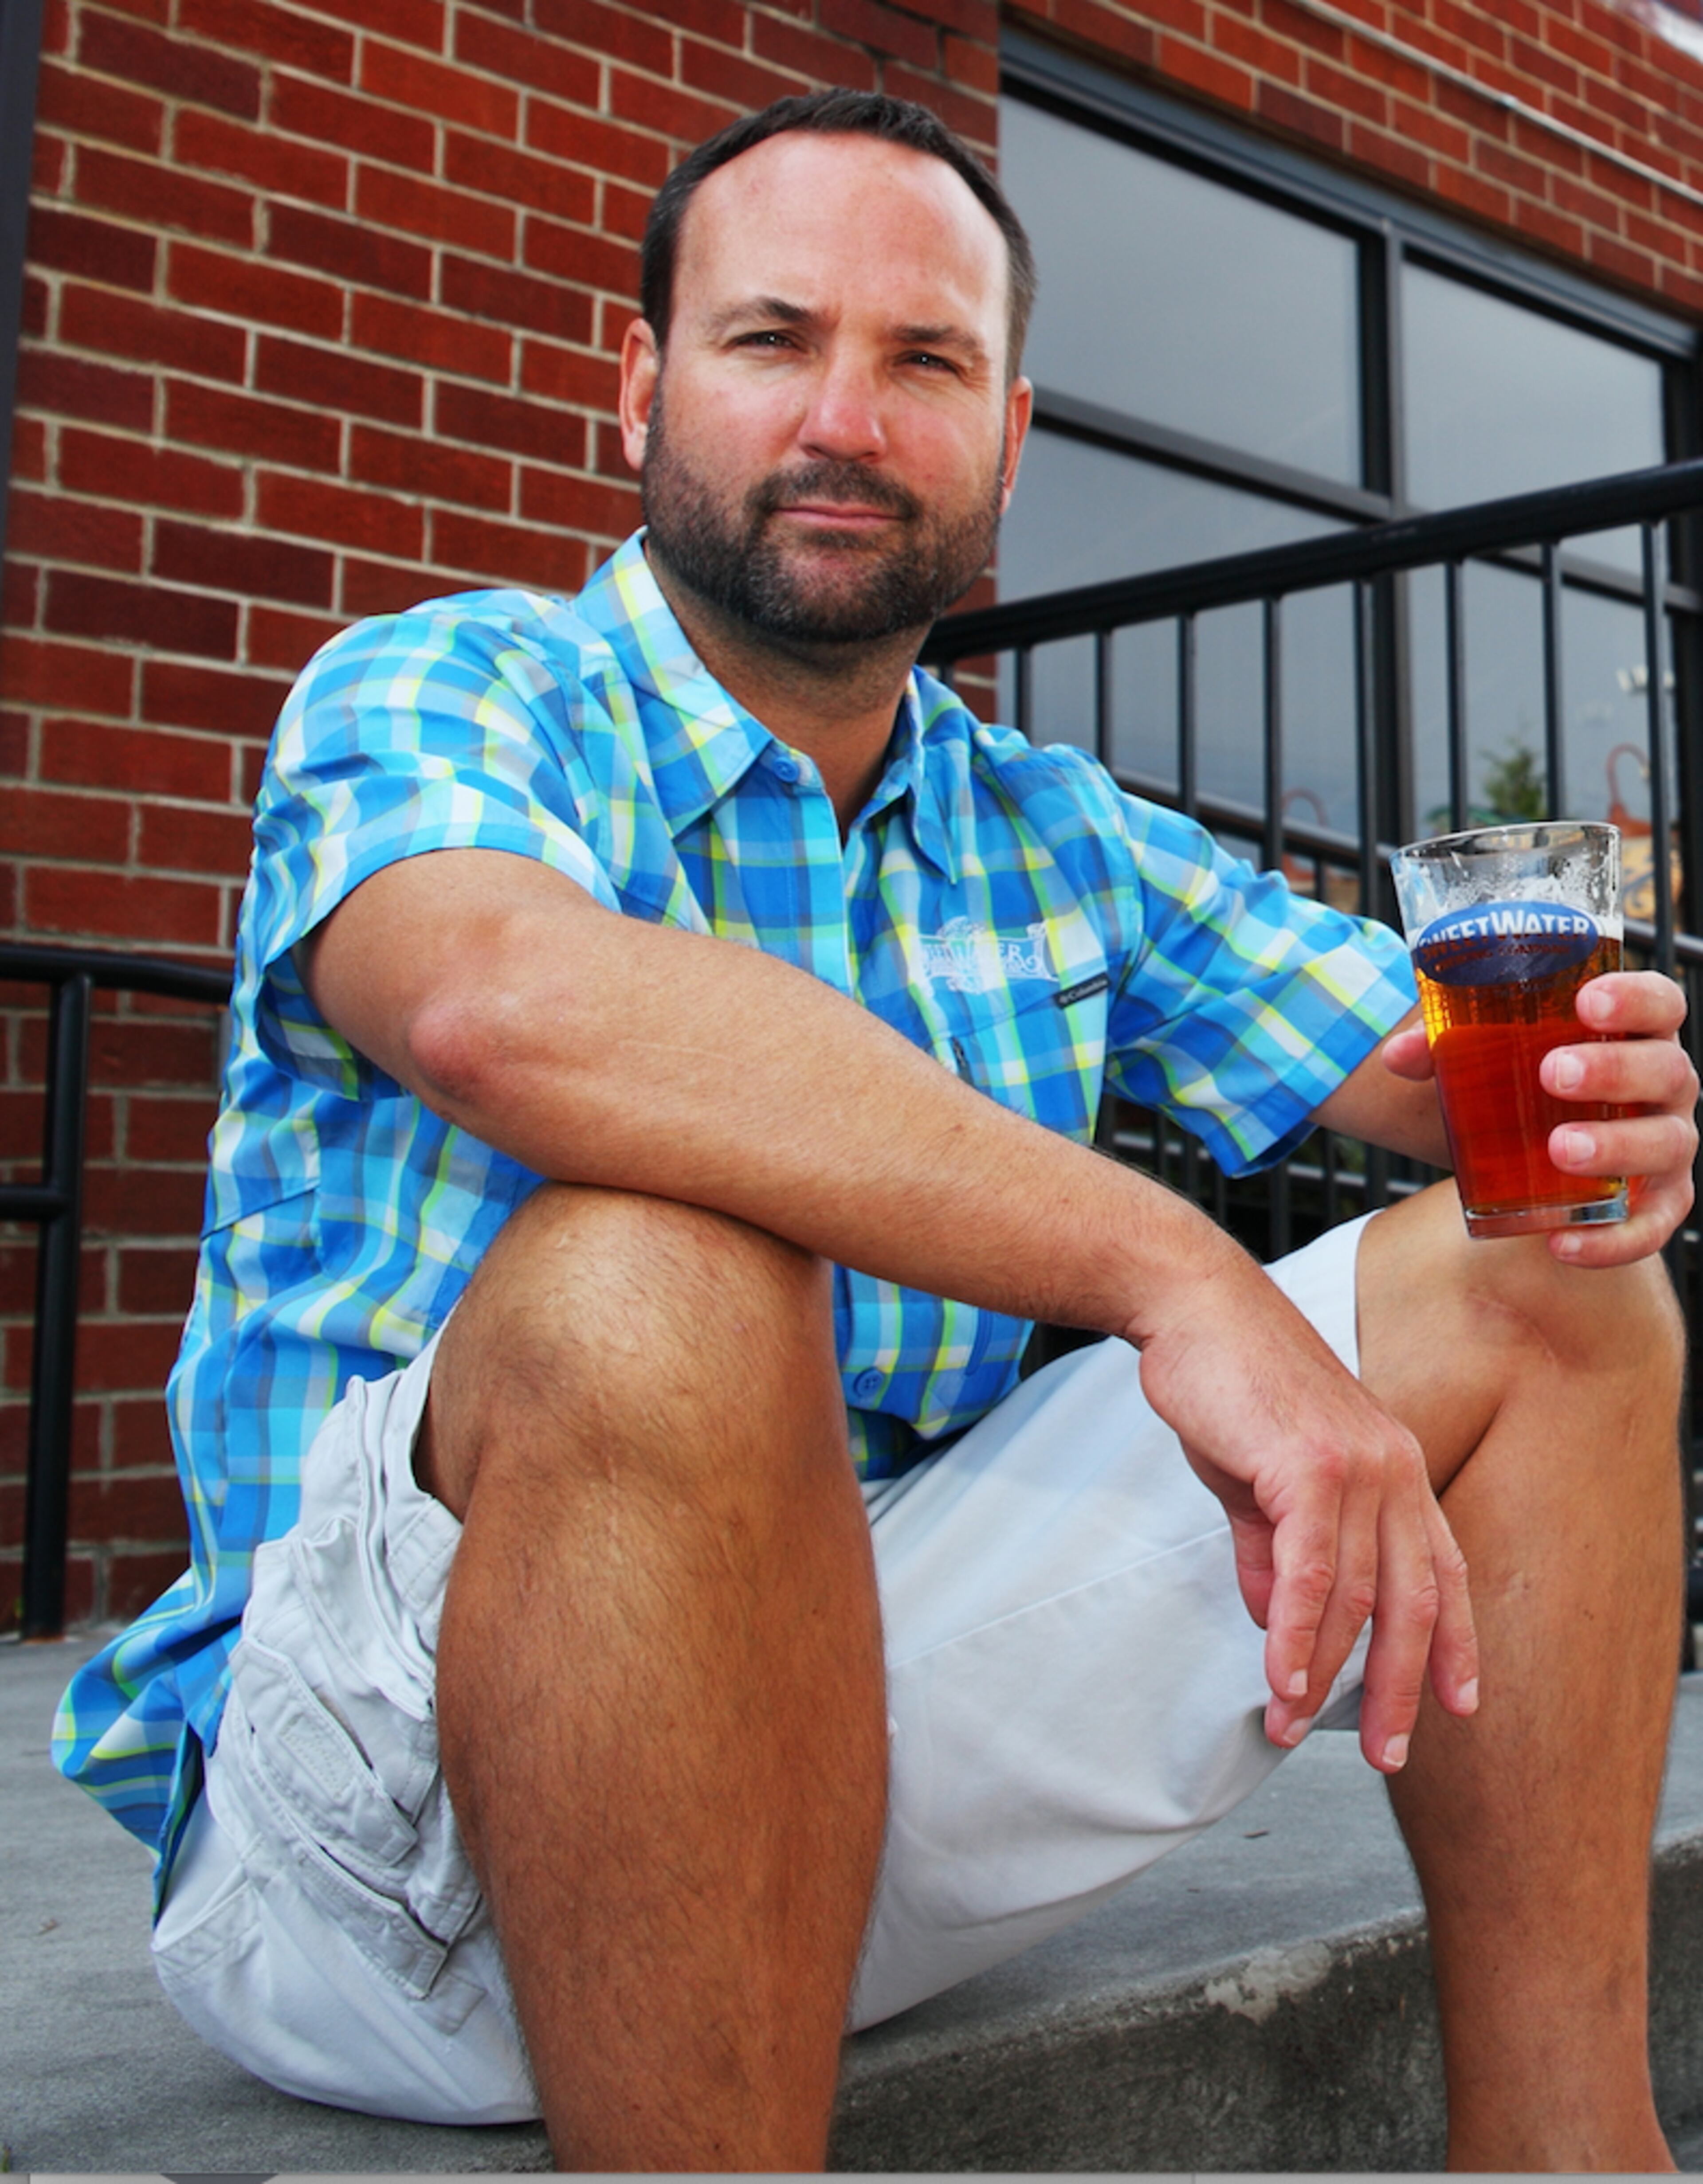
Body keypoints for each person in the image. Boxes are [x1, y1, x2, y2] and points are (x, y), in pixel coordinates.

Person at [54, 90, 1697, 2172]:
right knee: (662, 1266)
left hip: (854, 1764)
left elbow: (1447, 1069)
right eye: (771, 339)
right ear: (640, 385)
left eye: (924, 361)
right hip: (375, 1831)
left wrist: (1604, 1084)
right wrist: (1168, 1267)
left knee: (1554, 1272)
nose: (845, 416)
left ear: (1007, 440)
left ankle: (1569, 2153)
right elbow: (490, 1001)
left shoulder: (1049, 828)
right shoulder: (449, 685)